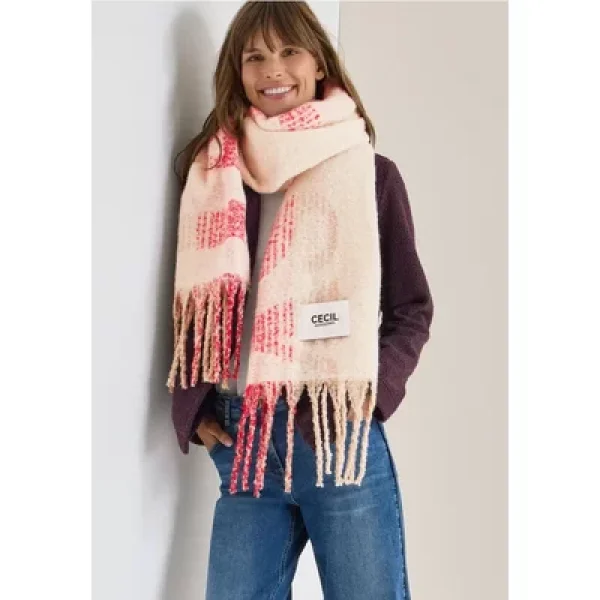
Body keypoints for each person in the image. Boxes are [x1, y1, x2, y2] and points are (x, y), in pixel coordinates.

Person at [168, 2, 433, 598]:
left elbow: (412, 308)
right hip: (243, 441)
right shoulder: (214, 174)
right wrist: (198, 408)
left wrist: (371, 396)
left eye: (289, 51)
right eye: (254, 56)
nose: (273, 69)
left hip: (336, 436)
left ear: (319, 64)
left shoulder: (370, 175)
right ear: (237, 71)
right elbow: (193, 307)